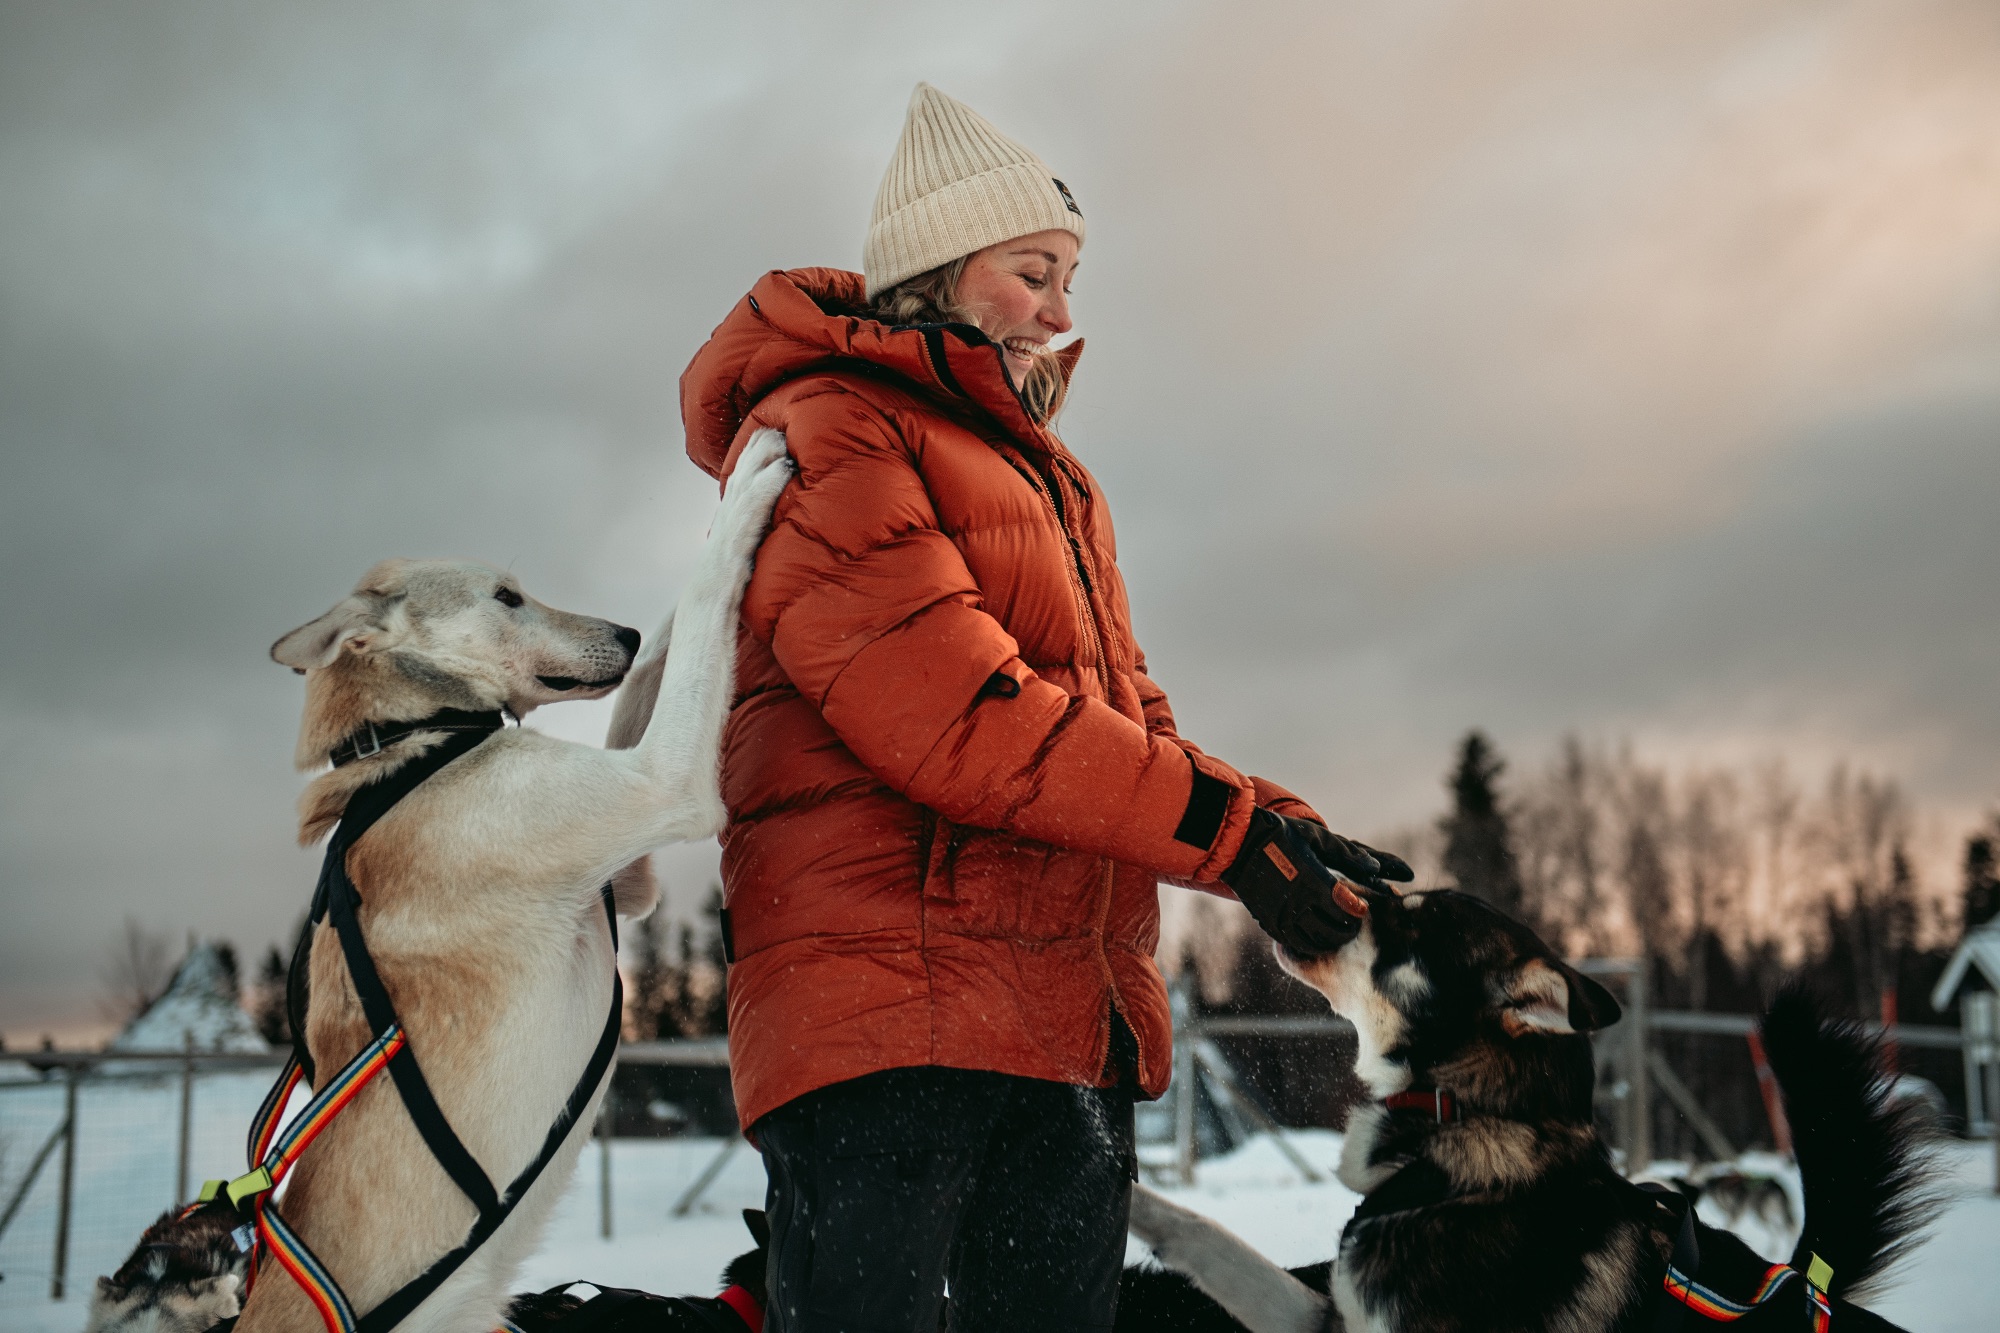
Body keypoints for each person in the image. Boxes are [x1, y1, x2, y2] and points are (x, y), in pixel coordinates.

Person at [678, 83, 1411, 1332]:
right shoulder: (832, 430)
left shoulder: (1041, 475)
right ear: (942, 270)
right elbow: (961, 717)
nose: (1063, 314)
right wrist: (1229, 835)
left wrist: (1283, 830)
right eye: (1033, 272)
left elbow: (1122, 718)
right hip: (889, 1030)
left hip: (1058, 1026)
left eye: (1070, 276)